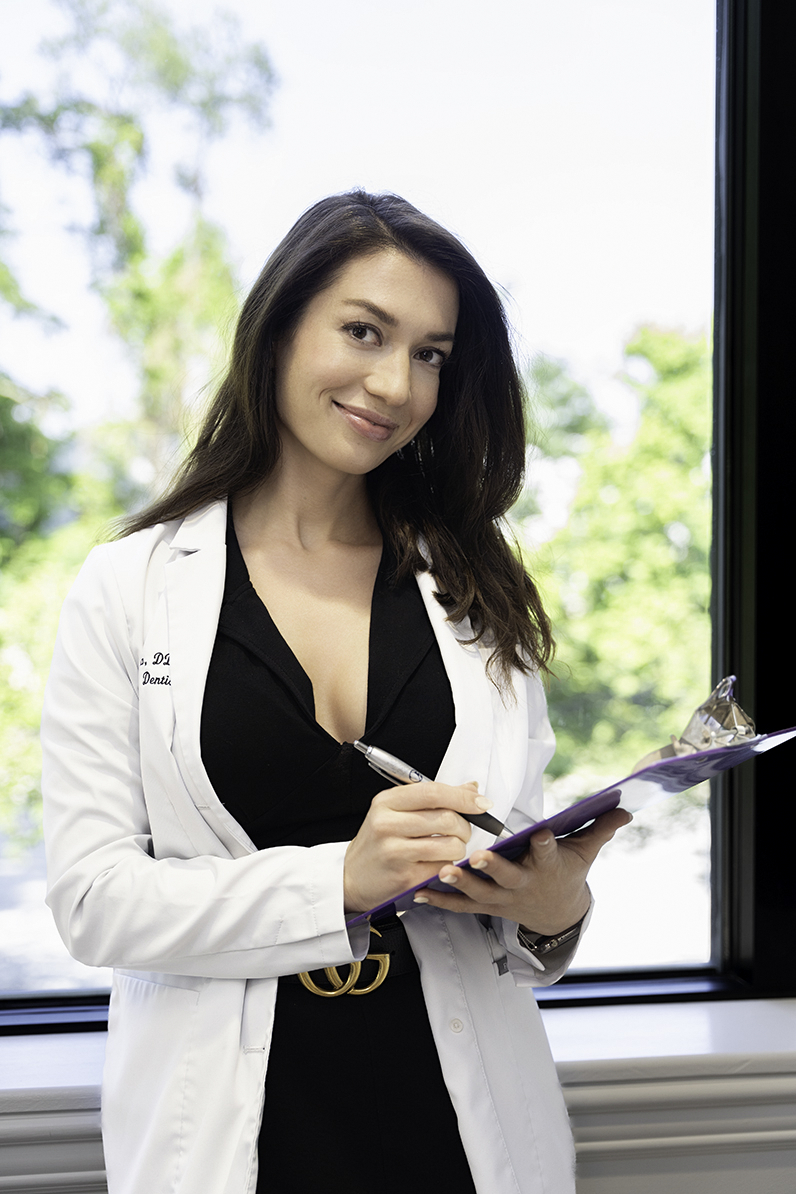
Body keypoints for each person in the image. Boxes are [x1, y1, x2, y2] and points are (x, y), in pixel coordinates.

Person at [41, 190, 630, 1194]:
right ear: (276, 330)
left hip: (457, 1132)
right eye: (363, 332)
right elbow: (94, 903)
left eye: (432, 354)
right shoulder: (130, 586)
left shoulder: (474, 587)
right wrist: (337, 884)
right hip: (239, 1143)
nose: (394, 382)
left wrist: (553, 908)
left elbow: (518, 893)